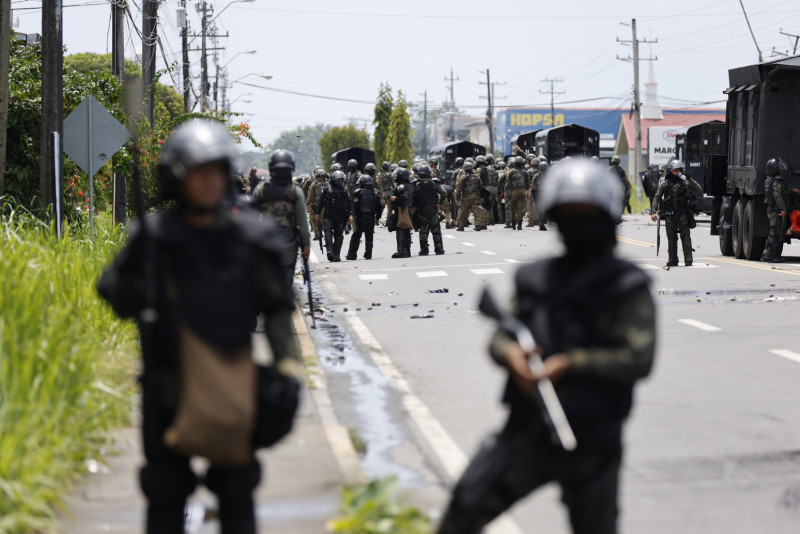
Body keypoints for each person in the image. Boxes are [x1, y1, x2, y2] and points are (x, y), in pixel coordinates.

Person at [97, 119, 301, 534]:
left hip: (231, 383)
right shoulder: (155, 237)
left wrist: (287, 368)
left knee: (237, 486)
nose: (208, 181)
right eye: (197, 172)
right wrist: (137, 271)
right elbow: (116, 298)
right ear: (177, 179)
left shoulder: (250, 238)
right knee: (164, 488)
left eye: (215, 171)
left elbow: (278, 309)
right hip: (166, 387)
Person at [437, 159, 655, 534]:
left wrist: (570, 363)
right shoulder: (535, 277)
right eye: (569, 214)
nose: (578, 224)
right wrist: (511, 355)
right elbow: (502, 334)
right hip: (527, 431)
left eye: (586, 215)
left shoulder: (626, 286)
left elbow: (638, 357)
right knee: (463, 510)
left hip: (592, 437)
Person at [251, 149, 311, 285]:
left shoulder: (260, 190)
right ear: (292, 168)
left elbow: (250, 219)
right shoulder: (295, 192)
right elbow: (302, 223)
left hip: (266, 241)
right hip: (288, 242)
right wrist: (306, 245)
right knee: (286, 282)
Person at [651, 160, 701, 267]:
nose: (678, 172)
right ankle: (673, 259)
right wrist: (653, 212)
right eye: (675, 170)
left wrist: (690, 179)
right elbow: (657, 197)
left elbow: (698, 188)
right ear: (671, 171)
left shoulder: (685, 183)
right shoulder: (665, 184)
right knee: (672, 238)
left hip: (683, 214)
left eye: (679, 170)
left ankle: (688, 259)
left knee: (686, 237)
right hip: (669, 215)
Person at [316, 170, 352, 262]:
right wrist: (317, 213)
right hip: (328, 215)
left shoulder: (344, 190)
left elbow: (349, 203)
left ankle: (336, 254)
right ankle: (330, 251)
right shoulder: (327, 189)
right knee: (327, 232)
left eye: (341, 179)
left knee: (339, 235)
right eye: (338, 179)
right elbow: (321, 202)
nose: (340, 181)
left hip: (340, 216)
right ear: (333, 179)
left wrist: (350, 215)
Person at [346, 174, 384, 260]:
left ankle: (352, 255)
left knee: (356, 237)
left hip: (360, 218)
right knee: (369, 237)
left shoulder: (358, 193)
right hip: (371, 218)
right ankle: (368, 254)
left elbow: (354, 205)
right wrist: (377, 218)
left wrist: (352, 215)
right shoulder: (375, 193)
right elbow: (379, 207)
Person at [412, 164, 446, 256]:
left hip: (421, 210)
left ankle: (424, 250)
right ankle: (439, 249)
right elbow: (444, 193)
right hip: (433, 209)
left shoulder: (416, 184)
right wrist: (439, 204)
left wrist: (413, 206)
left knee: (423, 230)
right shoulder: (434, 183)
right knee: (436, 230)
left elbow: (411, 196)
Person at [762, 157, 789, 262]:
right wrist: (783, 209)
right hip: (776, 210)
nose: (781, 170)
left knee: (773, 232)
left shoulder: (769, 180)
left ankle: (769, 254)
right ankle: (772, 256)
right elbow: (777, 195)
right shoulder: (777, 181)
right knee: (776, 233)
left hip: (771, 209)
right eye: (779, 168)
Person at [455, 160, 486, 232]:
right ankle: (478, 225)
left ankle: (461, 226)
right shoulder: (476, 177)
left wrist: (457, 198)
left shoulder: (463, 177)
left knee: (463, 212)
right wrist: (481, 197)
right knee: (476, 212)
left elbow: (459, 189)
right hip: (475, 197)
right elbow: (480, 187)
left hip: (466, 198)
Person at [389, 167, 414, 258]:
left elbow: (403, 198)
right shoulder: (409, 185)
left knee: (400, 229)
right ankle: (407, 250)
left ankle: (401, 251)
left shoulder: (402, 186)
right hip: (408, 210)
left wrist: (395, 198)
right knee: (407, 230)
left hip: (402, 211)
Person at [505, 156, 531, 231]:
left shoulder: (511, 172)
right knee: (520, 208)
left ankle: (513, 223)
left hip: (513, 192)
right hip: (522, 191)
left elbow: (507, 183)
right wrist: (527, 192)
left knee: (512, 207)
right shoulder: (525, 172)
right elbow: (528, 184)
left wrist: (505, 192)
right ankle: (519, 224)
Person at [306, 168, 328, 241]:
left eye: (320, 176)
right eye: (318, 176)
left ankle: (317, 234)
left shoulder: (314, 184)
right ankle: (326, 234)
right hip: (325, 205)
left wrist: (307, 204)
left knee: (314, 219)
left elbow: (310, 196)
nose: (319, 178)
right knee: (326, 220)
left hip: (317, 205)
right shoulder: (328, 184)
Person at [530, 161, 549, 231]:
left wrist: (533, 196)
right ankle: (543, 221)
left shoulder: (536, 175)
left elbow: (533, 187)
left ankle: (541, 222)